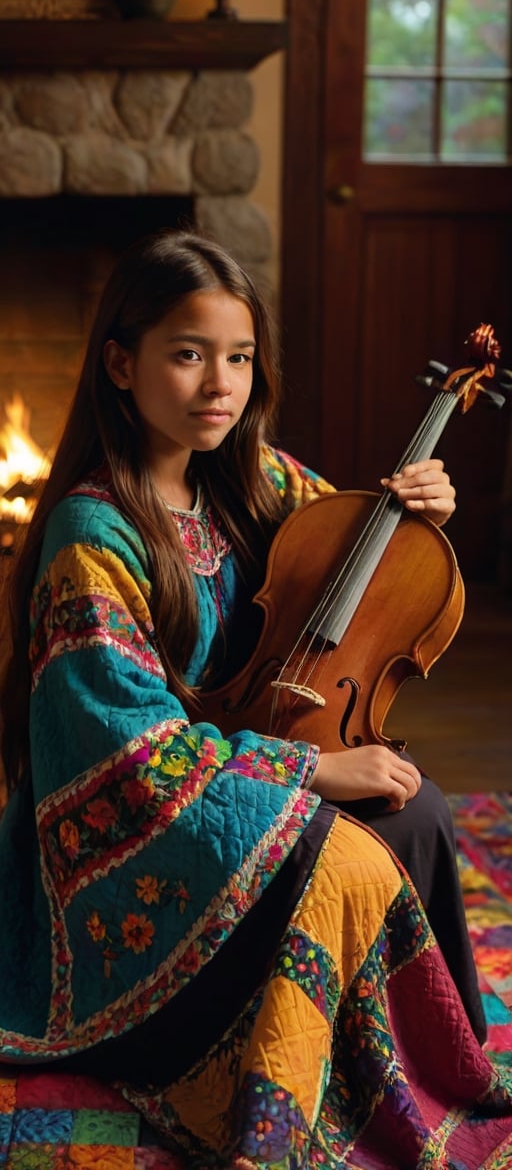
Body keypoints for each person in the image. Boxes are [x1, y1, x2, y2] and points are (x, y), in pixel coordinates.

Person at [0, 229, 510, 1169]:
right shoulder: (90, 531)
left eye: (237, 358)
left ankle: (425, 1069)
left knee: (420, 813)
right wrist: (312, 768)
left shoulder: (253, 479)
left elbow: (357, 535)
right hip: (139, 827)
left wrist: (414, 506)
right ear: (121, 363)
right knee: (335, 852)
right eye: (188, 355)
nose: (219, 385)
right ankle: (270, 1096)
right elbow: (127, 756)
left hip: (236, 765)